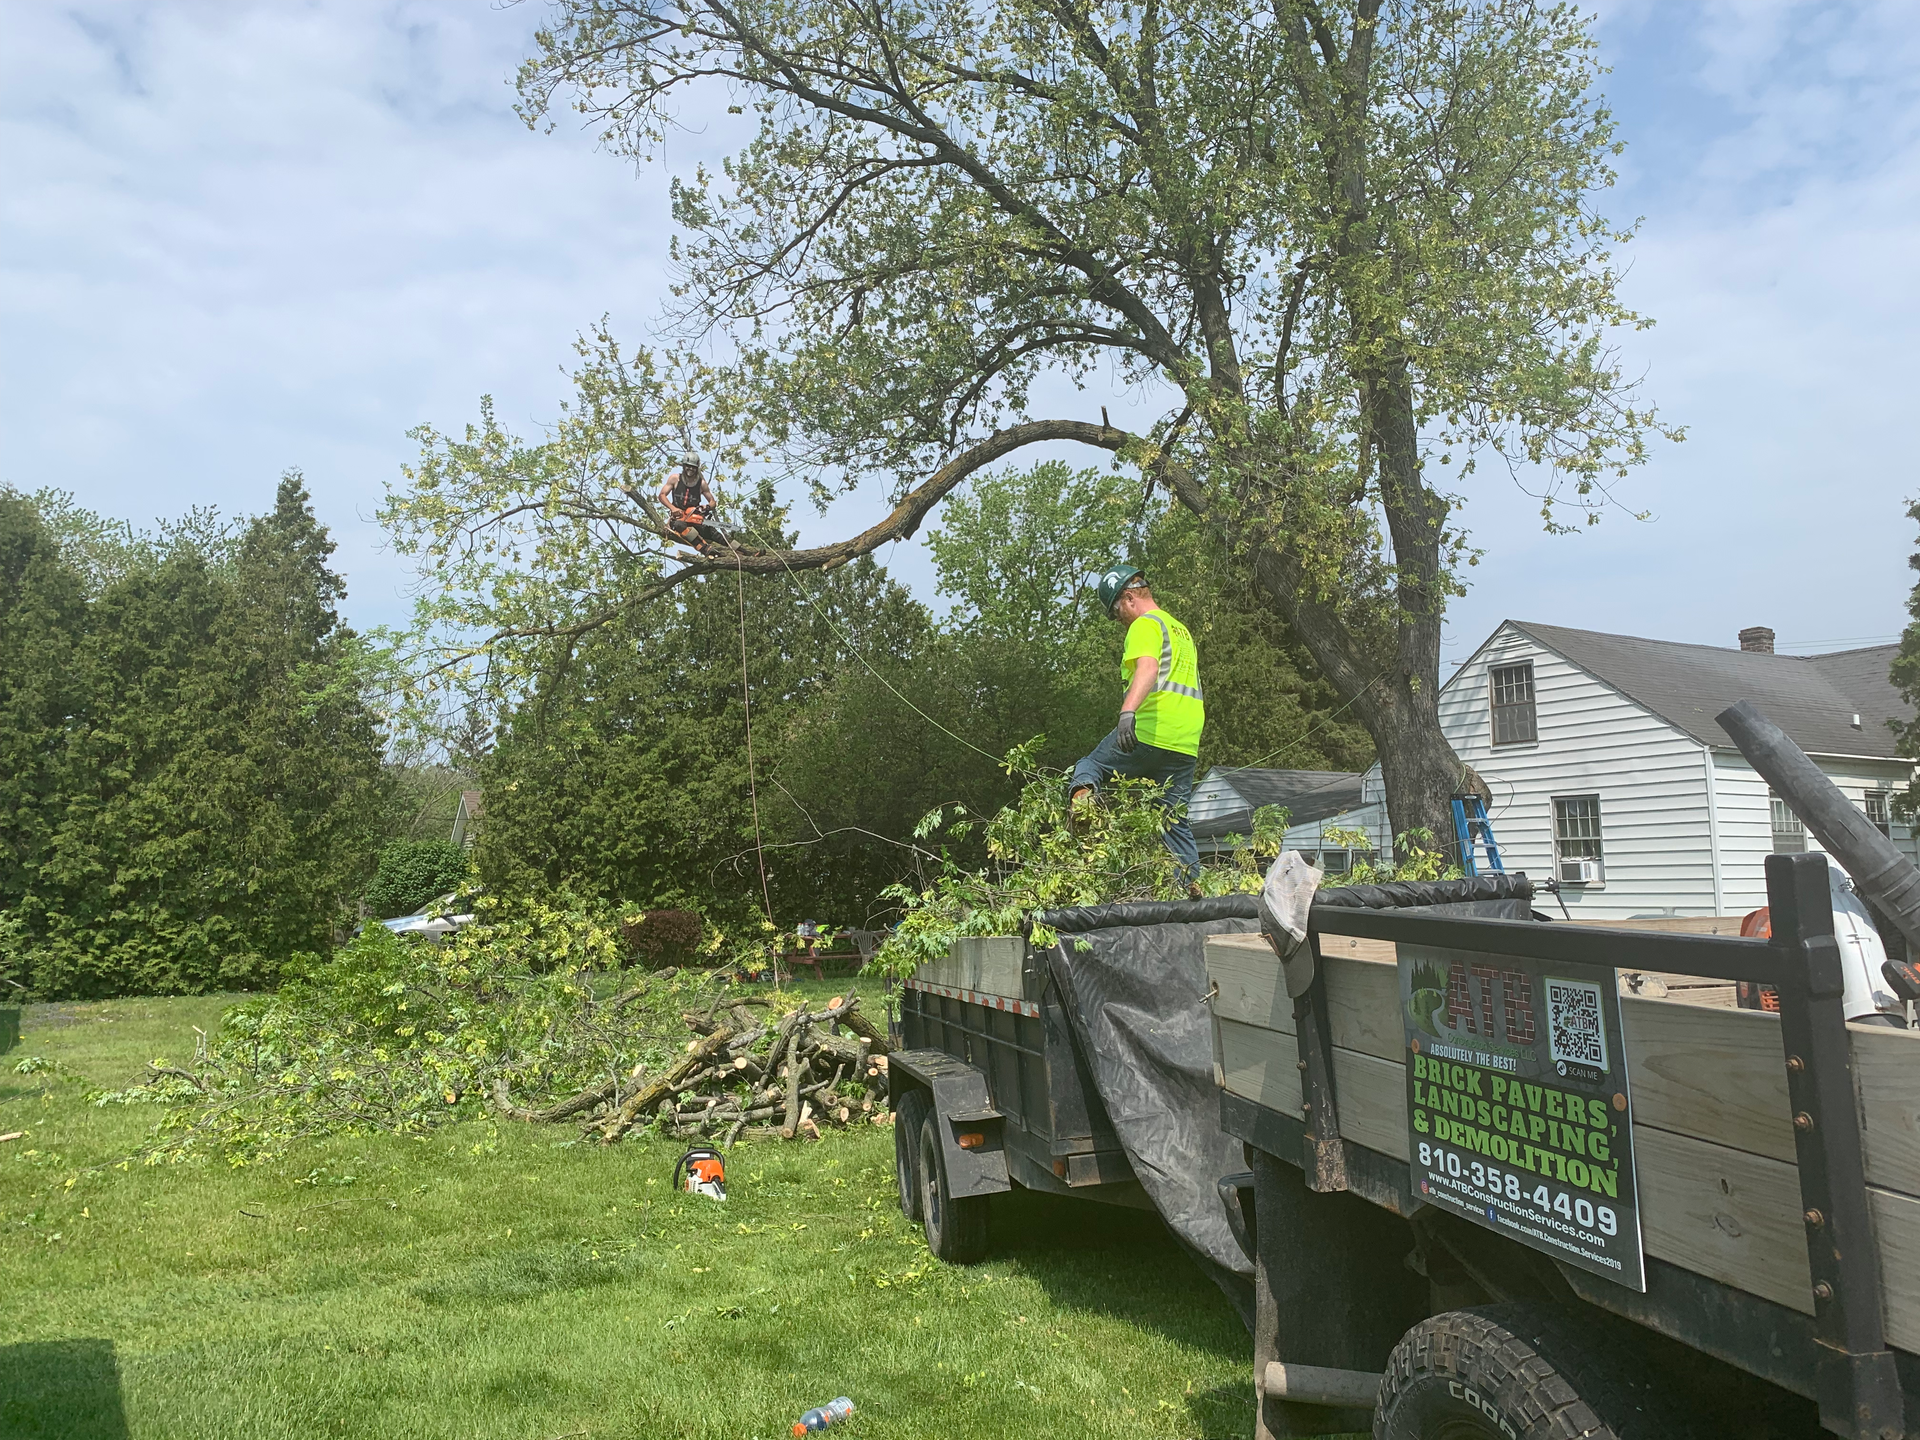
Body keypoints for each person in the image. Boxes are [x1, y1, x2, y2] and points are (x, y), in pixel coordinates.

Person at [1071, 563, 1205, 884]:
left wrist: (1127, 712)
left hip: (1149, 731)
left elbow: (1147, 669)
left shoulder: (1145, 625)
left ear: (1129, 597)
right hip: (1185, 743)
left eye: (1117, 612)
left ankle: (1082, 803)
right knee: (1173, 821)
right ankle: (1192, 887)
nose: (1119, 620)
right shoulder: (1180, 630)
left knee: (1091, 765)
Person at [657, 458, 725, 550]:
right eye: (688, 466)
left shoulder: (701, 484)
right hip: (679, 519)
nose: (690, 469)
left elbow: (713, 502)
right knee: (679, 525)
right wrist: (673, 508)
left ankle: (740, 550)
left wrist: (707, 507)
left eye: (693, 467)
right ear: (684, 466)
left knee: (714, 534)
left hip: (694, 518)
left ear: (696, 468)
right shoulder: (675, 479)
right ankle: (704, 548)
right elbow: (662, 495)